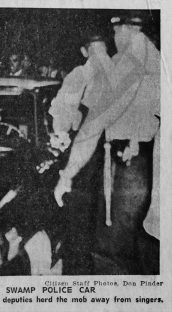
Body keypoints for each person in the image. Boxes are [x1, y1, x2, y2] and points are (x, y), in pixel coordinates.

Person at [52, 14, 160, 274]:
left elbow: (94, 124)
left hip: (132, 162)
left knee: (112, 251)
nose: (113, 39)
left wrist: (67, 174)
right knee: (136, 247)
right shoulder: (146, 57)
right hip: (128, 159)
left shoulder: (137, 53)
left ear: (125, 28)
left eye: (114, 32)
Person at [49, 33, 114, 274]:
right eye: (96, 51)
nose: (102, 57)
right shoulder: (79, 76)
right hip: (81, 156)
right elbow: (62, 119)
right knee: (78, 226)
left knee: (91, 227)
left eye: (104, 51)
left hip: (99, 157)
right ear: (85, 52)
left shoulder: (108, 77)